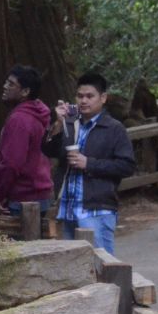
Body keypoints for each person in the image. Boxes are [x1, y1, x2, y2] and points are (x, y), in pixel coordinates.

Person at [49, 72, 136, 253]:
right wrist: (58, 123)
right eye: (80, 96)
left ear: (103, 98)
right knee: (74, 267)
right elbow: (48, 151)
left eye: (90, 96)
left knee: (101, 265)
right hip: (69, 208)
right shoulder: (71, 123)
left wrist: (89, 163)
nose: (84, 101)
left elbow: (127, 166)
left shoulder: (114, 128)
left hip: (97, 210)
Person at [0, 65, 55, 219]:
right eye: (6, 82)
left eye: (11, 84)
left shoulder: (19, 120)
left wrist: (0, 194)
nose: (5, 87)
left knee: (22, 242)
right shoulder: (38, 114)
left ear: (25, 92)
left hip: (24, 197)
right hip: (41, 192)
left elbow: (11, 163)